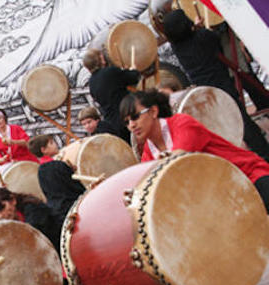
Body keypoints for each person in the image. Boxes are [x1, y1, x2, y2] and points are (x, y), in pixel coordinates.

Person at [121, 89, 269, 212]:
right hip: (227, 196)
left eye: (135, 117)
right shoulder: (148, 150)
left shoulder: (182, 123)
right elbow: (149, 184)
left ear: (153, 111)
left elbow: (179, 160)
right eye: (127, 122)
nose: (132, 125)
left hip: (250, 177)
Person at [162, 9, 269, 161]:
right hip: (222, 86)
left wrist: (197, 29)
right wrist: (200, 28)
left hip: (204, 92)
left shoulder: (177, 48)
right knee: (241, 119)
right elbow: (215, 40)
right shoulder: (202, 37)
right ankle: (264, 152)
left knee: (224, 125)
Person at [0, 187, 69, 285]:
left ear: (12, 200)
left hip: (58, 248)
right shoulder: (12, 216)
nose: (0, 215)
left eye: (2, 208)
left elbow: (31, 236)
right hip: (44, 254)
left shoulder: (32, 207)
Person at [28, 135, 86, 236]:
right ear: (44, 150)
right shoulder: (59, 165)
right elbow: (74, 187)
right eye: (51, 143)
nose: (55, 145)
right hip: (72, 207)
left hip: (57, 211)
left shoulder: (40, 170)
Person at [83, 48, 140, 141]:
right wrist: (133, 69)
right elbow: (134, 78)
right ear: (100, 59)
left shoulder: (91, 83)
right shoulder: (110, 72)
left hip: (111, 122)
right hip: (126, 117)